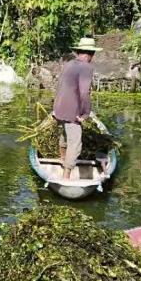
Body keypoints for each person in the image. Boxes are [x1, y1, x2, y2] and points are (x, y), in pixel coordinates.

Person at [52, 36, 102, 179]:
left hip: (59, 108)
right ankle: (66, 175)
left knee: (66, 133)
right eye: (93, 55)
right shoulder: (86, 67)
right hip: (71, 110)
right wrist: (85, 113)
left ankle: (62, 158)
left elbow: (60, 85)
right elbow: (85, 92)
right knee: (75, 142)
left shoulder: (69, 64)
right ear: (89, 54)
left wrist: (56, 108)